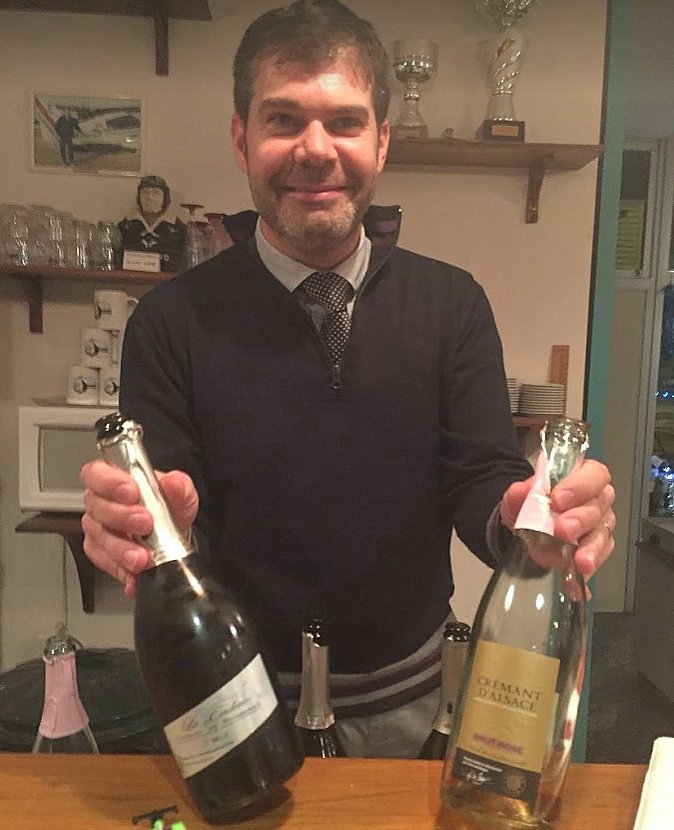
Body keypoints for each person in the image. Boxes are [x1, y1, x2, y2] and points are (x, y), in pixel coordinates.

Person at [80, 0, 615, 758]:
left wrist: (531, 521)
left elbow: (480, 477)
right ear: (240, 138)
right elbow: (170, 513)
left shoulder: (453, 303)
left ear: (381, 140)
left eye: (345, 122)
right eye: (283, 119)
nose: (315, 149)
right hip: (234, 702)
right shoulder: (168, 320)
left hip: (419, 701)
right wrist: (142, 523)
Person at [117, 174, 187, 271]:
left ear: (165, 197)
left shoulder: (179, 229)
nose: (150, 197)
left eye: (156, 193)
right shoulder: (125, 226)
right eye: (145, 192)